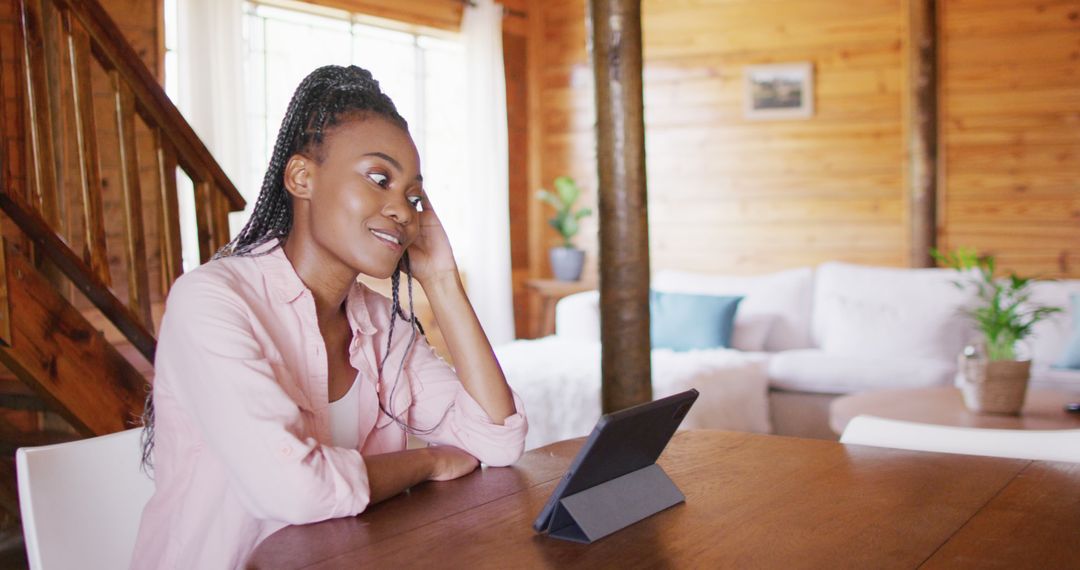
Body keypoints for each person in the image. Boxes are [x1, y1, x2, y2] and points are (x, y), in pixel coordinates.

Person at [130, 65, 527, 569]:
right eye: (379, 178)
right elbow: (294, 490)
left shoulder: (382, 325)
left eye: (413, 195)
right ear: (301, 177)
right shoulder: (211, 302)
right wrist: (425, 460)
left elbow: (498, 438)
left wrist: (443, 281)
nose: (404, 211)